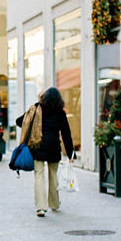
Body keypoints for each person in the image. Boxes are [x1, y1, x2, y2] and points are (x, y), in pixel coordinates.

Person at [16, 87, 75, 217]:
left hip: (38, 147)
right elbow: (66, 134)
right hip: (54, 148)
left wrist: (32, 126)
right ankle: (54, 204)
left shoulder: (37, 108)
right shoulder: (60, 113)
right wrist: (71, 153)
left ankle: (41, 208)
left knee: (39, 175)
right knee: (53, 175)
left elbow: (19, 121)